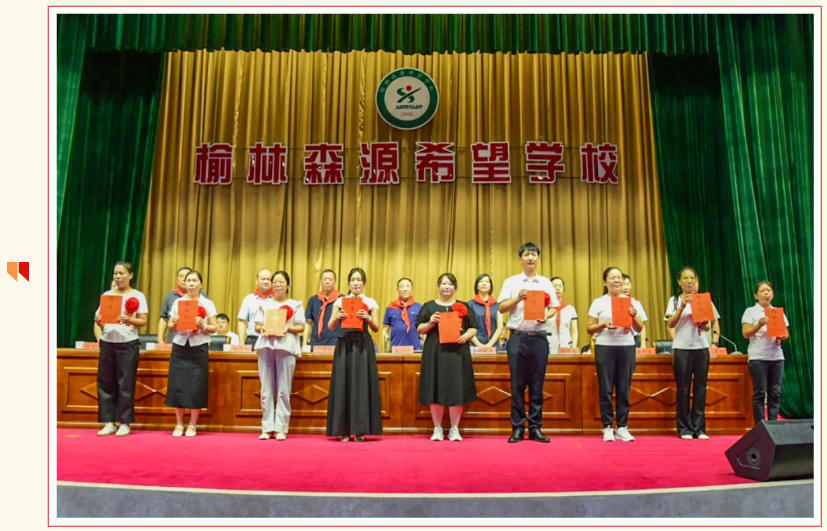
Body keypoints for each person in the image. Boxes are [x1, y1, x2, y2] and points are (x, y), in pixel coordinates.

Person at [497, 242, 558, 443]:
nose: (530, 258)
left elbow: (554, 308)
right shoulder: (511, 282)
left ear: (538, 258)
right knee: (517, 385)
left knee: (537, 385)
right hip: (517, 338)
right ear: (520, 258)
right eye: (527, 254)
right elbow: (501, 308)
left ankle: (535, 427)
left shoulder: (545, 282)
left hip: (539, 338)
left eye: (533, 254)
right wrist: (517, 299)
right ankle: (517, 428)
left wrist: (546, 316)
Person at [586, 266, 646, 442]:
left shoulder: (632, 302)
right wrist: (603, 325)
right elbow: (589, 328)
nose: (616, 280)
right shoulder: (599, 302)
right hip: (605, 346)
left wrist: (634, 316)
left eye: (619, 277)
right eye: (612, 277)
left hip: (626, 346)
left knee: (624, 388)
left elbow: (639, 328)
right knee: (605, 388)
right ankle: (607, 427)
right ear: (605, 282)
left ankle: (622, 426)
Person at [416, 273, 478, 441]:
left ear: (455, 287)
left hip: (458, 353)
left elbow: (473, 327)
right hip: (435, 353)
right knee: (435, 388)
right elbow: (419, 329)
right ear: (438, 287)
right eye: (443, 284)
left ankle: (454, 428)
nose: (446, 287)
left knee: (456, 388)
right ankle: (437, 428)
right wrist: (430, 322)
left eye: (450, 284)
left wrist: (466, 336)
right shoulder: (429, 306)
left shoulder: (463, 306)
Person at [325, 268, 382, 441]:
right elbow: (330, 326)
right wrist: (337, 317)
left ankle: (360, 431)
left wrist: (368, 318)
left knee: (361, 385)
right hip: (344, 344)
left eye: (359, 280)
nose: (356, 283)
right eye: (353, 280)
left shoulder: (370, 302)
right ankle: (343, 430)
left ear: (364, 283)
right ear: (348, 282)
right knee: (343, 384)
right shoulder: (340, 301)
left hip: (363, 345)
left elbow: (376, 327)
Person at [664, 266, 721, 440]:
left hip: (701, 348)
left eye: (692, 278)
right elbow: (670, 324)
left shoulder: (704, 300)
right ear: (679, 282)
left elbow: (707, 327)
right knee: (683, 388)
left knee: (700, 388)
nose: (689, 281)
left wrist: (702, 322)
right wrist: (682, 307)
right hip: (682, 348)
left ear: (696, 281)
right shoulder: (674, 300)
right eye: (685, 278)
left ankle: (699, 428)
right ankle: (684, 428)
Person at [93, 262, 148, 436]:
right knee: (105, 382)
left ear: (130, 275)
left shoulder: (137, 296)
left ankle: (124, 422)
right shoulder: (107, 295)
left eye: (121, 273)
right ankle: (108, 422)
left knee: (126, 384)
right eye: (115, 273)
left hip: (128, 343)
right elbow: (98, 320)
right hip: (108, 342)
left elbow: (143, 321)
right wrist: (99, 320)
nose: (117, 276)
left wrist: (129, 319)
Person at [253, 270, 306, 440]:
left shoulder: (295, 305)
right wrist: (263, 328)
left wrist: (287, 328)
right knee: (266, 390)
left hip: (286, 347)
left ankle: (281, 427)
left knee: (284, 390)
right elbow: (256, 326)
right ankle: (267, 427)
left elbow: (301, 327)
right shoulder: (264, 304)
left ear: (288, 285)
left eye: (281, 282)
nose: (277, 285)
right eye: (274, 282)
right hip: (266, 346)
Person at [165, 270, 217, 437]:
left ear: (201, 284)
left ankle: (193, 424)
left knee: (197, 386)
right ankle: (179, 424)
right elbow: (170, 326)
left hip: (199, 347)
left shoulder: (207, 303)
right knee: (178, 384)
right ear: (184, 284)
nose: (191, 283)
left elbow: (214, 328)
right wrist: (172, 323)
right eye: (189, 280)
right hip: (180, 346)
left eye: (195, 280)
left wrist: (203, 325)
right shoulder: (178, 302)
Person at [742, 280, 789, 425]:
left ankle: (774, 425)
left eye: (768, 290)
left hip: (776, 357)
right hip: (758, 357)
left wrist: (781, 336)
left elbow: (785, 333)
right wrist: (759, 324)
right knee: (760, 392)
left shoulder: (777, 312)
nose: (766, 293)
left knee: (775, 393)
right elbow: (746, 333)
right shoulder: (750, 311)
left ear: (773, 294)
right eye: (762, 291)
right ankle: (760, 426)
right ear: (756, 295)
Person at [304, 269, 341, 349]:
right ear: (321, 282)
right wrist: (304, 343)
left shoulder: (342, 299)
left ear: (335, 282)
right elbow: (308, 323)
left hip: (335, 343)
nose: (327, 282)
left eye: (330, 279)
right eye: (324, 279)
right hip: (316, 343)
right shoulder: (313, 300)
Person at [382, 277, 423, 350]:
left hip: (415, 349)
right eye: (402, 286)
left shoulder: (419, 307)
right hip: (396, 349)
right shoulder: (390, 308)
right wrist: (385, 342)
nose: (405, 289)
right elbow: (385, 329)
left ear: (412, 289)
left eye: (408, 286)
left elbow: (424, 329)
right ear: (397, 289)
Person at [237, 268, 275, 346]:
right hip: (252, 339)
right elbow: (242, 321)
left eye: (269, 279)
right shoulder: (249, 299)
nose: (266, 281)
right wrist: (241, 342)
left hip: (272, 339)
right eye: (263, 279)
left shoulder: (277, 299)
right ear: (256, 281)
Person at [468, 273, 504, 351]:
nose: (484, 284)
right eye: (481, 281)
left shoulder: (497, 305)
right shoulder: (469, 305)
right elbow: (467, 328)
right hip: (474, 345)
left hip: (493, 346)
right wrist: (479, 345)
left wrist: (489, 345)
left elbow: (499, 328)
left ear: (490, 286)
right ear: (476, 286)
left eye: (487, 282)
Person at [157, 266, 191, 344]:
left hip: (195, 341)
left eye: (187, 276)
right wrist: (160, 339)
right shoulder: (170, 296)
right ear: (177, 279)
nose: (184, 279)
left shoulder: (201, 296)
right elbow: (163, 318)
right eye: (181, 276)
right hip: (174, 340)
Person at [548, 276, 578, 355]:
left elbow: (574, 331)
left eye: (560, 286)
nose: (558, 288)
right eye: (554, 286)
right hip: (548, 347)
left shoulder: (570, 309)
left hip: (566, 346)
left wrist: (574, 347)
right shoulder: (544, 309)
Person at [622, 274, 647, 348]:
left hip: (634, 340)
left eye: (628, 284)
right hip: (618, 340)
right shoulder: (612, 302)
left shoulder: (636, 303)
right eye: (623, 285)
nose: (626, 287)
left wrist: (643, 343)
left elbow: (642, 325)